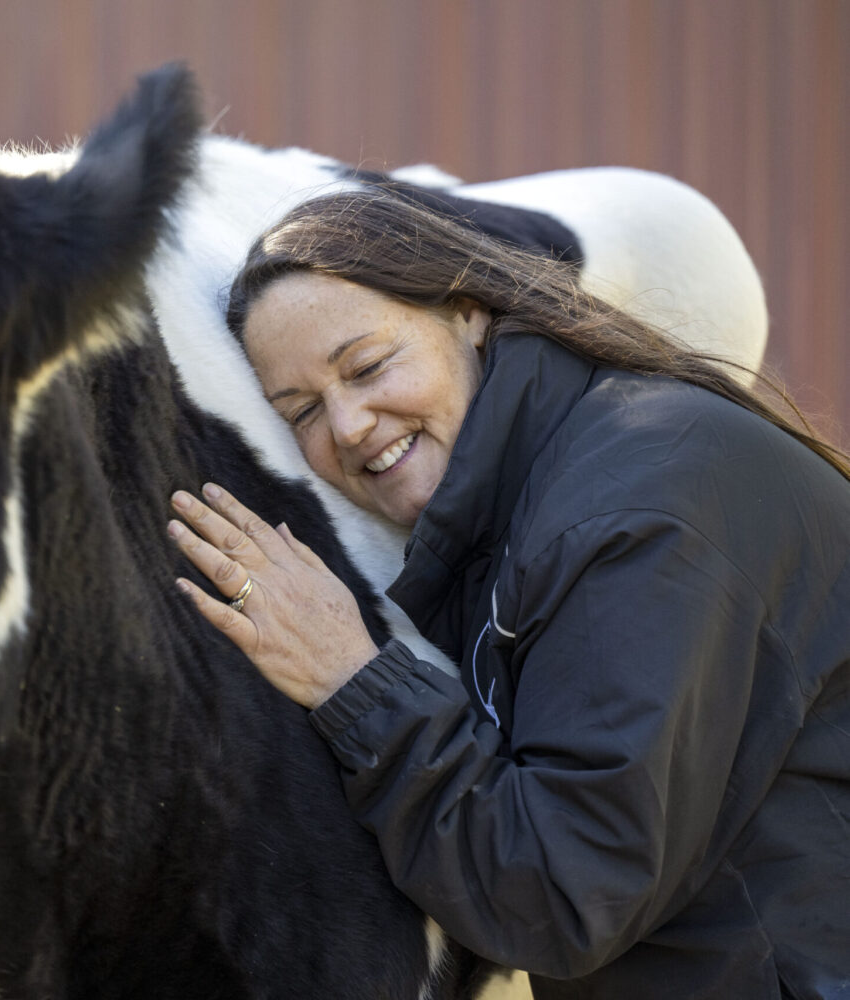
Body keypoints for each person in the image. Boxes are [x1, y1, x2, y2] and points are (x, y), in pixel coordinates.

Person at [165, 188, 850, 999]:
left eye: (368, 366)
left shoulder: (638, 514)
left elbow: (562, 895)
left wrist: (353, 681)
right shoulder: (555, 492)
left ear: (468, 313)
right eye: (304, 410)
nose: (347, 426)